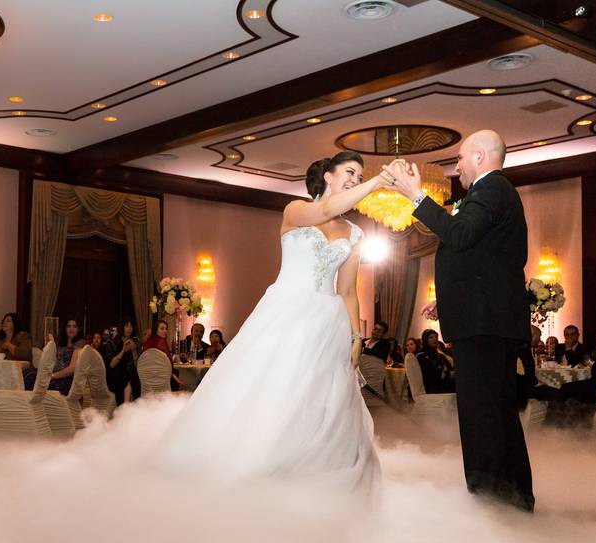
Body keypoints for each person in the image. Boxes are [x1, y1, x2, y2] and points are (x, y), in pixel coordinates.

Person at [155, 150, 387, 492]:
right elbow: (325, 210)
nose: (355, 178)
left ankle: (311, 470)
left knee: (319, 397)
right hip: (286, 311)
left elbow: (349, 291)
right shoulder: (296, 210)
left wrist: (356, 337)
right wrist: (377, 183)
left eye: (359, 175)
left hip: (327, 322)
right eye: (351, 172)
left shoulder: (355, 234)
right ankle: (253, 463)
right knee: (273, 385)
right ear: (329, 176)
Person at [382, 130, 534, 512]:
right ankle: (512, 497)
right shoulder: (494, 193)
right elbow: (478, 257)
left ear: (481, 157)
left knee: (481, 412)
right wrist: (447, 301)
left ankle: (489, 501)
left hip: (484, 324)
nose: (457, 166)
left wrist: (417, 196)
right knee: (496, 410)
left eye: (462, 159)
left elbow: (460, 235)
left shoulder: (491, 190)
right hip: (485, 317)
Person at [105, 318, 141, 405]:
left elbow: (137, 366)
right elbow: (112, 365)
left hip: (131, 375)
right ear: (122, 328)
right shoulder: (113, 342)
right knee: (127, 380)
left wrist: (134, 351)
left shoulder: (135, 342)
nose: (129, 329)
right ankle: (126, 407)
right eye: (126, 326)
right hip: (116, 375)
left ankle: (126, 408)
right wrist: (123, 351)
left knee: (132, 378)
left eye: (131, 326)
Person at [417, 329, 456, 394]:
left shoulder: (440, 355)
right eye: (431, 337)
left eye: (436, 337)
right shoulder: (421, 356)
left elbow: (450, 369)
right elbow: (429, 375)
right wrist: (447, 374)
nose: (434, 339)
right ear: (425, 340)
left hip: (446, 383)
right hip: (433, 387)